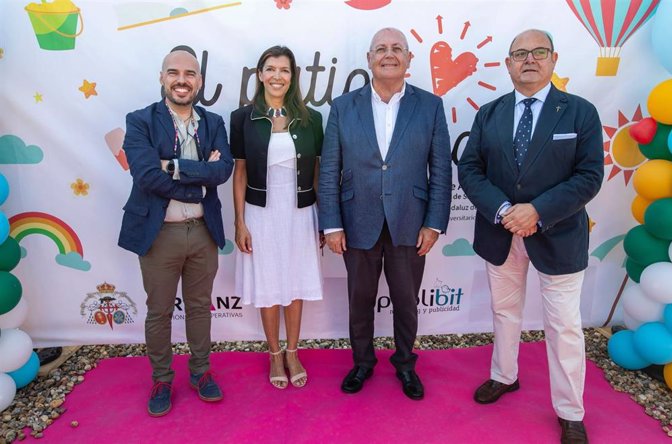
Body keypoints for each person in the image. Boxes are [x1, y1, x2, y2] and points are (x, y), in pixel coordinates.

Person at [457, 29, 604, 443]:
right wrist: (505, 211)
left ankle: (570, 412)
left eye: (538, 52)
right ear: (507, 64)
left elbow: (590, 176)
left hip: (558, 236)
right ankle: (504, 376)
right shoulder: (489, 113)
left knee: (564, 327)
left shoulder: (579, 112)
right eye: (519, 53)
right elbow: (470, 169)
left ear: (553, 59)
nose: (529, 60)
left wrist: (537, 212)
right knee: (505, 313)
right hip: (500, 232)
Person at [318, 27, 452, 401]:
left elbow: (441, 169)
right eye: (381, 49)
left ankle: (406, 364)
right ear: (369, 60)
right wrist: (331, 223)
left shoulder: (430, 106)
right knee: (359, 299)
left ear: (409, 59)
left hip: (411, 221)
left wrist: (435, 222)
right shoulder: (343, 107)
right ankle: (362, 363)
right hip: (356, 219)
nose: (388, 54)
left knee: (407, 301)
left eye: (397, 48)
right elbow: (329, 169)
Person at [118, 48, 233, 417]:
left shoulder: (214, 122)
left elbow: (224, 171)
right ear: (162, 77)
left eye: (189, 74)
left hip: (202, 230)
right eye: (174, 72)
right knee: (159, 311)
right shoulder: (140, 121)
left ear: (199, 81)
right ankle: (162, 378)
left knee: (200, 307)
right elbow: (146, 175)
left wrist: (174, 167)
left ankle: (200, 373)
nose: (181, 80)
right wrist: (198, 176)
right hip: (158, 233)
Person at [231, 46, 324, 390]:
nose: (277, 76)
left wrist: (323, 220)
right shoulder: (242, 118)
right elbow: (239, 173)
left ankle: (293, 351)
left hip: (300, 211)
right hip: (260, 212)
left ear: (292, 76)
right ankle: (273, 353)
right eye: (270, 69)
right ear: (259, 74)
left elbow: (316, 172)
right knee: (268, 284)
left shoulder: (311, 118)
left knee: (295, 282)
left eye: (284, 70)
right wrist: (240, 222)